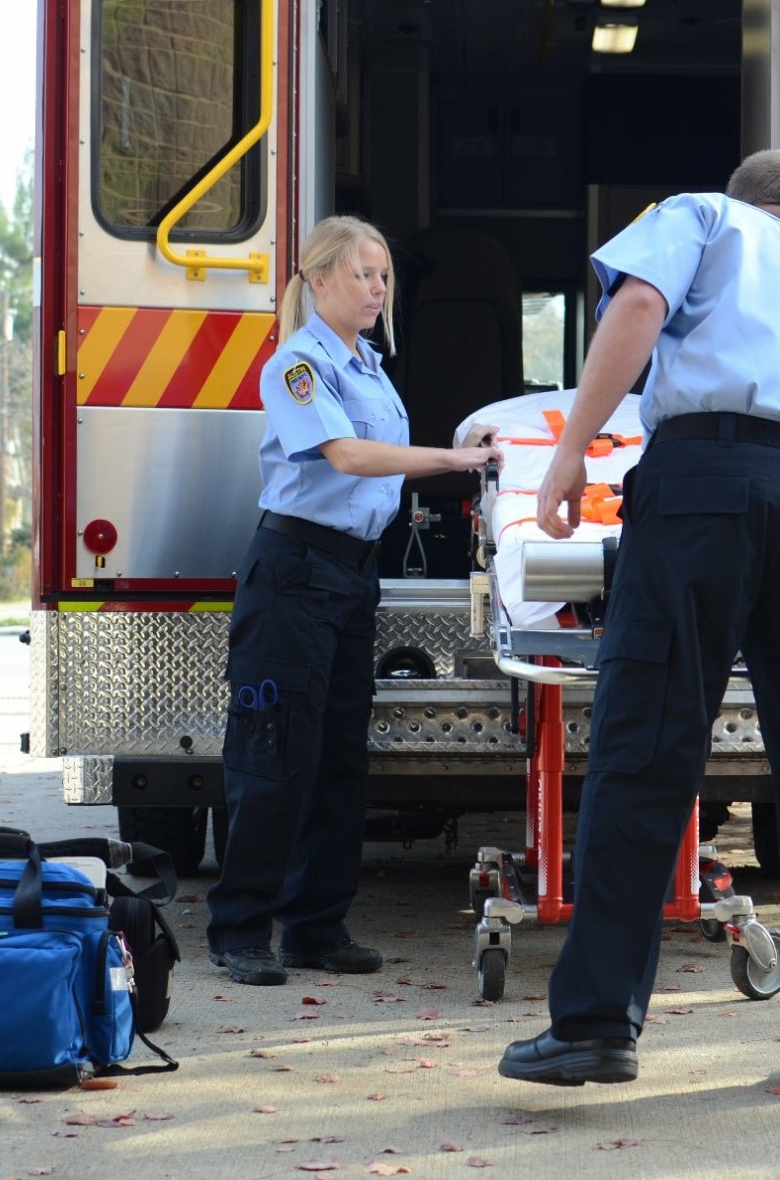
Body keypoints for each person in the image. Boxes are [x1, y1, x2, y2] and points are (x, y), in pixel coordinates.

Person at [498, 149, 780, 1085]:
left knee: (648, 748)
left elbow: (636, 308)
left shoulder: (703, 216)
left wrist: (572, 449)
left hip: (706, 484)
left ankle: (594, 1025)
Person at [206, 215, 503, 985]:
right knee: (276, 757)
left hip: (349, 574)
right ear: (319, 280)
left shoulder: (367, 364)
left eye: (383, 277)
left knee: (340, 757)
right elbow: (346, 456)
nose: (376, 290)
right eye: (362, 275)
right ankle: (239, 930)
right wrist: (453, 458)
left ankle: (315, 930)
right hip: (296, 570)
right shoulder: (300, 364)